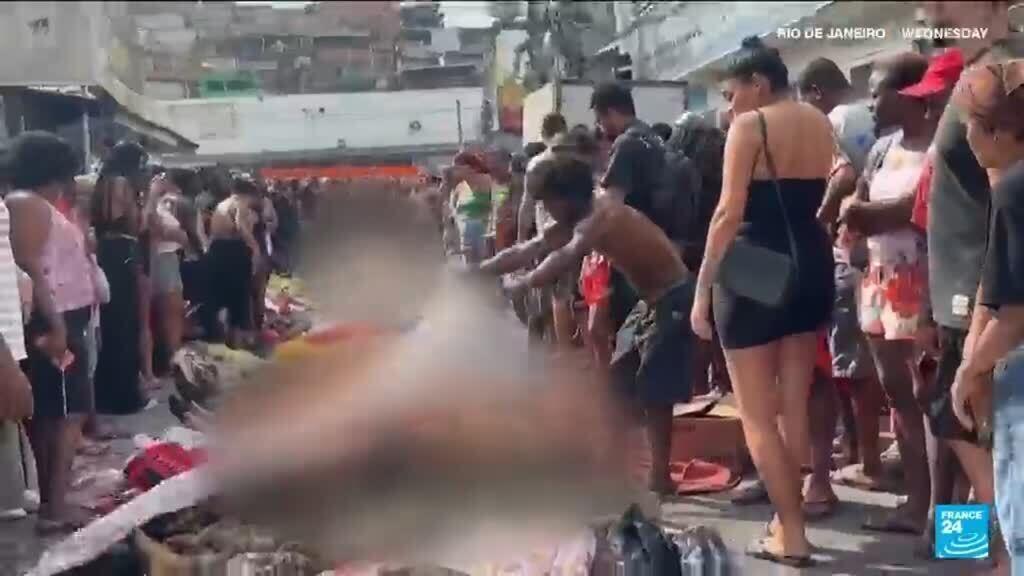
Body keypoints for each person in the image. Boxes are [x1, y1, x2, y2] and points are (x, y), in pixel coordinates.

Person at [690, 37, 834, 566]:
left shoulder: (750, 127)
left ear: (759, 83)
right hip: (811, 263)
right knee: (792, 404)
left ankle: (791, 535)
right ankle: (784, 520)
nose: (729, 106)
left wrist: (703, 288)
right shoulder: (821, 121)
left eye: (732, 93)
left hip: (754, 270)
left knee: (755, 414)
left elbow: (728, 213)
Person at [476, 155, 694, 497]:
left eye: (548, 201)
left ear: (566, 196)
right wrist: (479, 271)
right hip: (649, 303)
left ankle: (660, 478)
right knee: (618, 387)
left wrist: (518, 285)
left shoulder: (601, 212)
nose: (546, 209)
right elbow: (529, 248)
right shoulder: (575, 214)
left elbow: (566, 255)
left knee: (656, 392)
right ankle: (611, 469)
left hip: (674, 297)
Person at [838, 52, 939, 536]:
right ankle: (919, 508)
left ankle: (959, 532)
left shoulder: (944, 146)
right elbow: (855, 202)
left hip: (931, 291)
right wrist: (862, 214)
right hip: (881, 286)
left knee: (943, 410)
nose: (870, 102)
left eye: (877, 91)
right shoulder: (882, 149)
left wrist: (866, 215)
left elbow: (910, 210)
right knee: (901, 399)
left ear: (909, 93)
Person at [793, 57, 882, 519]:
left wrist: (817, 223)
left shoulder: (833, 121)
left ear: (814, 92)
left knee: (851, 369)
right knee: (873, 371)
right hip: (884, 260)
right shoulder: (866, 118)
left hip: (851, 255)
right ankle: (858, 453)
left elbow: (843, 175)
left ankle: (866, 461)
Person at [950, 59, 1024, 573]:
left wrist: (970, 366)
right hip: (963, 312)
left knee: (959, 436)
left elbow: (1015, 310)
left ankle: (988, 555)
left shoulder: (1010, 186)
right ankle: (971, 552)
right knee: (950, 445)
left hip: (966, 320)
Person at [6, 132, 97, 533]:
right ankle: (54, 507)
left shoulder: (38, 204)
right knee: (62, 414)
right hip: (54, 320)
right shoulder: (26, 204)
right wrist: (57, 326)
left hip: (63, 316)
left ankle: (53, 501)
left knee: (58, 412)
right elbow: (30, 266)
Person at [591, 82, 670, 337]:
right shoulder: (655, 138)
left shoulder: (626, 144)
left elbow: (611, 206)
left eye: (600, 119)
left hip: (634, 255)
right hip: (664, 247)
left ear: (611, 113)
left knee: (629, 333)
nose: (600, 128)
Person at [92, 165, 146, 417]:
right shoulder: (118, 188)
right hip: (120, 255)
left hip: (113, 255)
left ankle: (116, 395)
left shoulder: (104, 187)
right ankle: (123, 397)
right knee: (122, 328)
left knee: (117, 329)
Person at [202, 175, 262, 348]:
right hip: (233, 251)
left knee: (222, 296)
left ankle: (225, 339)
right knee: (238, 298)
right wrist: (255, 248)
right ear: (248, 194)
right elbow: (240, 226)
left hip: (217, 250)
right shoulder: (240, 203)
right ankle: (235, 342)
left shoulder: (222, 204)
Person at [146, 170, 192, 374]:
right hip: (161, 258)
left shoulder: (164, 203)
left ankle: (172, 358)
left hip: (168, 257)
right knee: (171, 312)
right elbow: (154, 228)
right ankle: (173, 360)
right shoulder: (149, 202)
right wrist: (175, 234)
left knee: (172, 312)